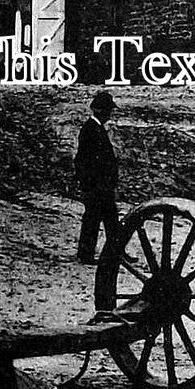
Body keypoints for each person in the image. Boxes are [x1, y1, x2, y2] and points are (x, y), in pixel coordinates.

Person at [74, 92, 120, 265]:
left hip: (102, 185)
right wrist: (90, 183)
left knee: (110, 219)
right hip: (96, 185)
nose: (109, 114)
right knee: (94, 219)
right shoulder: (90, 130)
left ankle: (116, 252)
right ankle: (86, 255)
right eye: (108, 110)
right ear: (100, 110)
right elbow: (83, 160)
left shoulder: (96, 128)